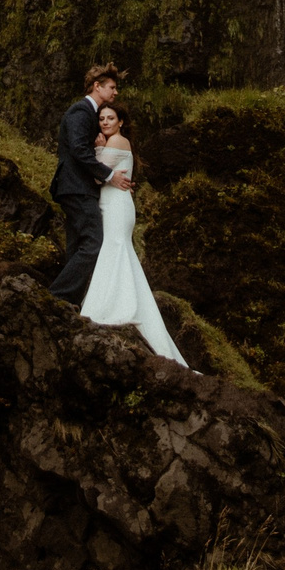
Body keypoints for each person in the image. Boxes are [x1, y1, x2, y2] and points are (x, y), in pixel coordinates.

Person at [78, 99, 185, 364]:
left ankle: (113, 306)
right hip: (112, 202)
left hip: (116, 205)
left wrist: (97, 148)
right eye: (101, 119)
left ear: (121, 122)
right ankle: (113, 302)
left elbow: (94, 174)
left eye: (110, 118)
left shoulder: (117, 142)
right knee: (114, 251)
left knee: (115, 249)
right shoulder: (114, 143)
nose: (105, 123)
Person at [48, 63, 126, 304]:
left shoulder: (89, 115)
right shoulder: (81, 112)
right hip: (77, 187)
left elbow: (82, 148)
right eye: (112, 87)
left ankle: (66, 302)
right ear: (97, 86)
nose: (115, 93)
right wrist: (110, 175)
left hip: (75, 186)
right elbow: (79, 150)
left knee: (77, 245)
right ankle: (56, 296)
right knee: (93, 242)